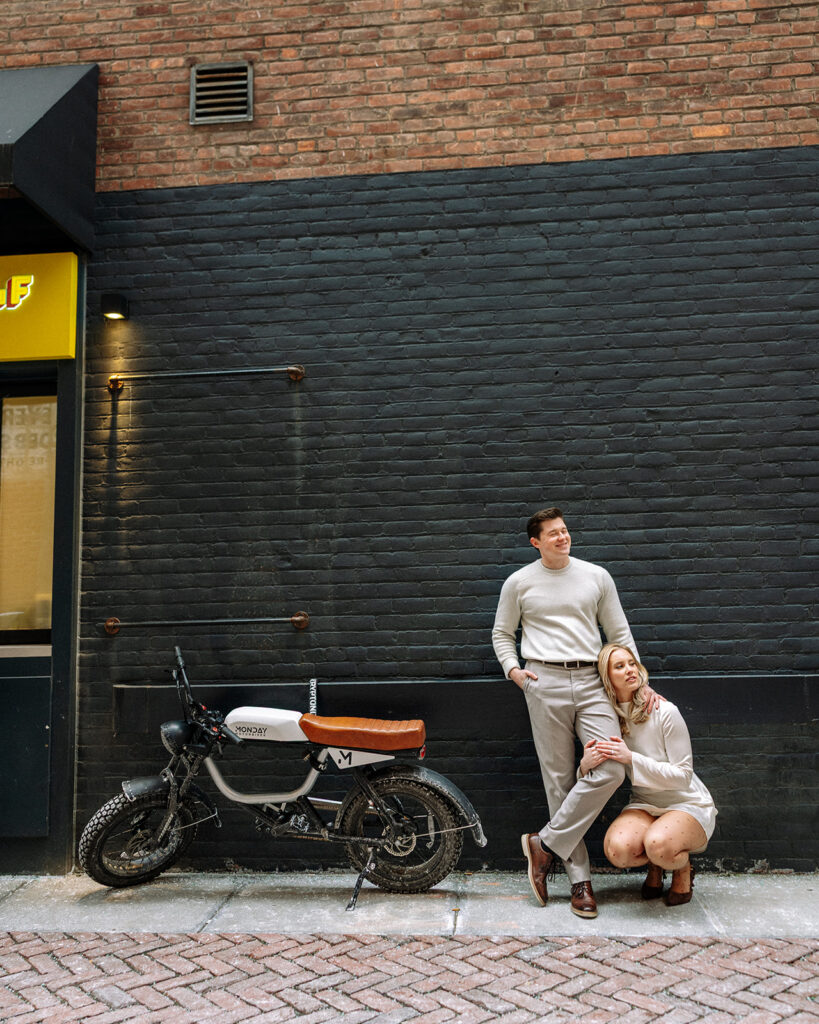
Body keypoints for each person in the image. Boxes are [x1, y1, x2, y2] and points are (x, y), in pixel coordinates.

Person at [492, 507, 659, 919]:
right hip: (542, 681)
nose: (562, 538)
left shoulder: (595, 576)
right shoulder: (519, 582)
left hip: (592, 681)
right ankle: (579, 881)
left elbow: (619, 634)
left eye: (565, 531)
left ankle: (544, 844)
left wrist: (638, 680)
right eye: (553, 534)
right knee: (558, 781)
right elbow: (501, 632)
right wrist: (514, 671)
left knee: (611, 767)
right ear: (536, 542)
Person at [580, 643, 717, 905]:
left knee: (658, 844)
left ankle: (681, 867)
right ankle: (657, 864)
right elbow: (593, 773)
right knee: (617, 851)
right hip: (645, 803)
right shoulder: (607, 720)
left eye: (632, 663)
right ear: (607, 678)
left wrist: (631, 758)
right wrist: (585, 765)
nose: (630, 670)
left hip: (686, 801)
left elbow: (683, 775)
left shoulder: (664, 711)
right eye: (619, 666)